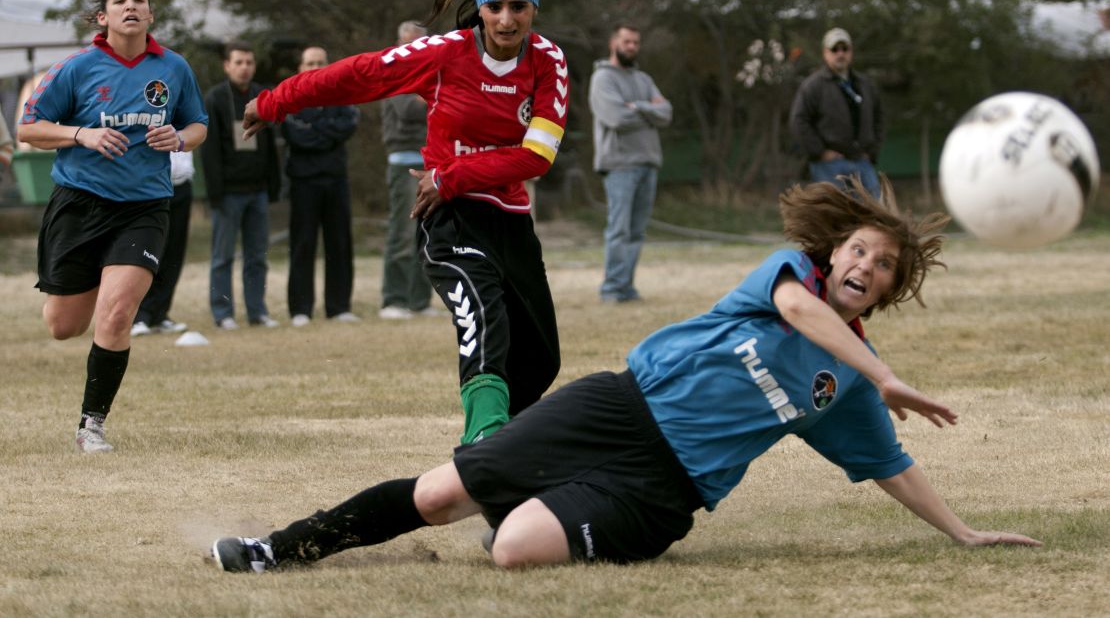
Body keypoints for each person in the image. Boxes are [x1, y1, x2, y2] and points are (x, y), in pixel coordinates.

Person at [210, 175, 1041, 572]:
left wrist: (965, 533)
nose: (866, 264)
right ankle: (277, 549)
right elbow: (802, 317)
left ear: (892, 287)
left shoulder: (846, 389)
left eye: (884, 264)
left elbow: (890, 466)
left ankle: (520, 511)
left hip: (662, 491)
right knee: (436, 497)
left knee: (516, 553)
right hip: (614, 409)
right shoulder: (788, 275)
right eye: (859, 249)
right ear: (834, 253)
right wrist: (886, 372)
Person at [239, 0, 569, 444]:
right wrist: (276, 100)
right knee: (483, 314)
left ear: (533, 10)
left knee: (541, 358)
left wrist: (450, 174)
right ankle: (481, 444)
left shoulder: (549, 60)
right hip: (448, 217)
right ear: (479, 8)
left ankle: (504, 451)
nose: (506, 19)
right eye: (496, 6)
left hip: (507, 218)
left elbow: (537, 158)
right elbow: (361, 73)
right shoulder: (443, 53)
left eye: (518, 8)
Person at [17, 0, 207, 453]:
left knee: (118, 314)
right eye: (119, 0)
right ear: (102, 16)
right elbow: (30, 130)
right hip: (79, 205)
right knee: (64, 326)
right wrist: (82, 134)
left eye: (139, 0)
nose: (130, 6)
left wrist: (180, 138)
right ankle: (96, 275)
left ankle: (91, 425)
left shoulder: (174, 68)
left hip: (143, 207)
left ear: (150, 13)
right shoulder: (77, 68)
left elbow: (198, 122)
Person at [200, 40, 282, 330]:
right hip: (229, 194)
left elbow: (270, 145)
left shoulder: (263, 95)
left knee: (257, 256)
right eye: (238, 62)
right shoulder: (215, 98)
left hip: (257, 191)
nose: (244, 68)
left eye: (249, 62)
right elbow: (209, 152)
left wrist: (273, 185)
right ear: (227, 65)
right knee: (222, 257)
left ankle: (257, 312)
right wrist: (216, 193)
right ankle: (223, 314)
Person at [589, 23, 672, 303]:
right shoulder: (603, 79)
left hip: (648, 162)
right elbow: (616, 118)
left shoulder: (644, 79)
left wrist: (640, 107)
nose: (632, 47)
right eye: (626, 42)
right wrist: (650, 112)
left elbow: (666, 112)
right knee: (619, 229)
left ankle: (627, 287)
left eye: (636, 42)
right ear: (614, 42)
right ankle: (611, 289)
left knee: (636, 231)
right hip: (619, 164)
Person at [281, 46, 360, 327]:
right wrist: (325, 132)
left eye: (320, 62)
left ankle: (339, 306)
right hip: (303, 182)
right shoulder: (291, 95)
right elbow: (293, 134)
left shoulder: (341, 93)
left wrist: (314, 130)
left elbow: (347, 126)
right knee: (303, 244)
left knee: (339, 243)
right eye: (310, 62)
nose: (315, 66)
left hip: (335, 179)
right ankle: (300, 308)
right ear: (300, 67)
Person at [378, 21, 436, 320]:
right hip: (403, 163)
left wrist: (426, 96)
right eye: (410, 43)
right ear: (399, 43)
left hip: (429, 162)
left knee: (425, 234)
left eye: (421, 43)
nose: (415, 49)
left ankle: (419, 301)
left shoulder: (428, 74)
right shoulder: (394, 72)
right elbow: (409, 110)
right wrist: (431, 98)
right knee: (401, 232)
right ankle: (394, 300)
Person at [789, 27, 884, 198]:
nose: (840, 54)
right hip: (829, 166)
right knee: (837, 220)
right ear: (825, 53)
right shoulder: (813, 85)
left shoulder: (865, 84)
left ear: (851, 52)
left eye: (844, 48)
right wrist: (820, 152)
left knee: (874, 217)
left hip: (862, 162)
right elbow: (799, 121)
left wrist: (871, 151)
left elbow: (879, 118)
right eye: (834, 49)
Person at [131, 149, 194, 336]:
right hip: (150, 185)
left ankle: (160, 313)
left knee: (174, 252)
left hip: (181, 183)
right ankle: (138, 316)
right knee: (146, 252)